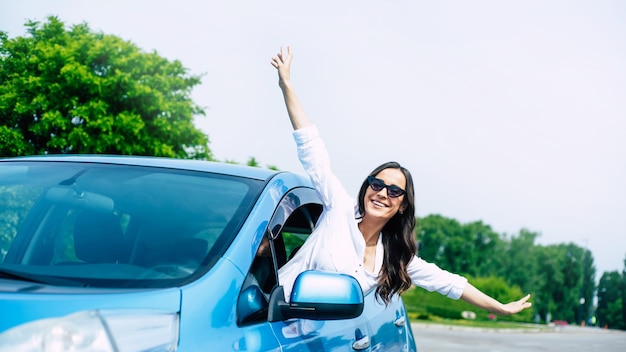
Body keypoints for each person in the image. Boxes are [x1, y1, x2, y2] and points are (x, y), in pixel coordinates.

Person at [271, 46, 532, 315]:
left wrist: (500, 307)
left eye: (394, 191)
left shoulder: (395, 257)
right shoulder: (339, 210)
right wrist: (286, 85)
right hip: (271, 316)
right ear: (366, 188)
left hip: (321, 333)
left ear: (403, 205)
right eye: (377, 184)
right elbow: (313, 151)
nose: (383, 193)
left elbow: (449, 283)